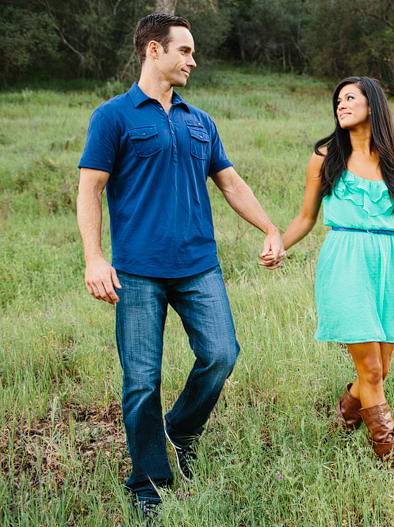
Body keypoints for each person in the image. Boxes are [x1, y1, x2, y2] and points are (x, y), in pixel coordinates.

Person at [76, 13, 285, 515]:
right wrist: (94, 257)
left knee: (221, 355)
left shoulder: (200, 121)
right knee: (141, 380)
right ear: (154, 50)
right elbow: (90, 188)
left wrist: (271, 228)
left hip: (198, 266)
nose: (193, 60)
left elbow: (231, 183)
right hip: (138, 271)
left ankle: (179, 432)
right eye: (184, 50)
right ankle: (149, 482)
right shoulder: (114, 116)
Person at [282, 77, 394, 466]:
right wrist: (279, 244)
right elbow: (306, 217)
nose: (340, 105)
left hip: (384, 266)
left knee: (380, 370)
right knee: (371, 370)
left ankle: (340, 425)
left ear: (372, 105)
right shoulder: (325, 157)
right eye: (337, 100)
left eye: (349, 98)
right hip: (345, 261)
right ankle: (390, 458)